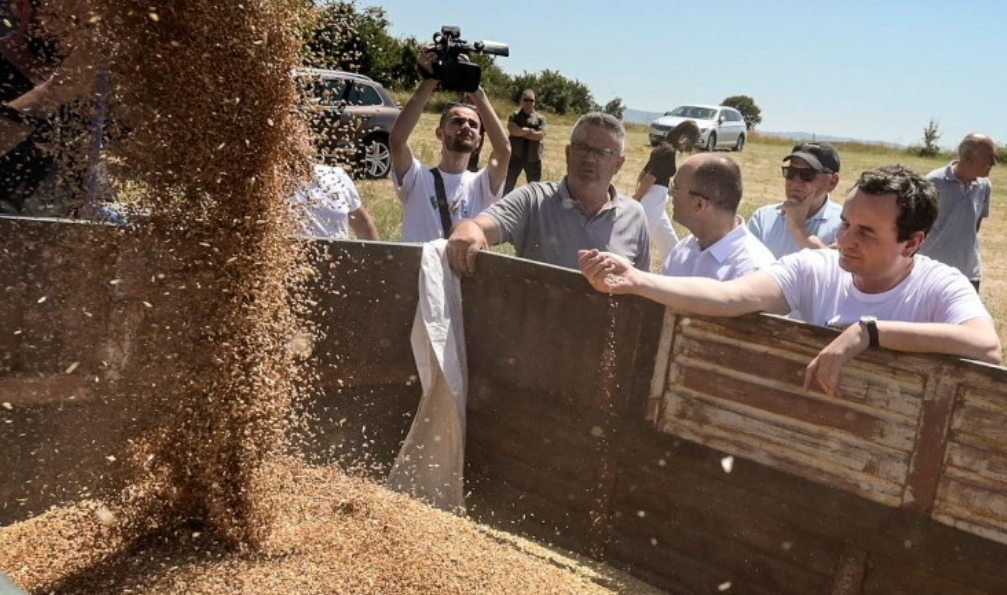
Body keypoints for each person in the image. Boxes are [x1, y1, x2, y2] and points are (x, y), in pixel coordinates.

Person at [580, 165, 1001, 397]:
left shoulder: (941, 284)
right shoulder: (816, 268)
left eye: (867, 233)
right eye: (846, 224)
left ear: (912, 242)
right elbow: (732, 296)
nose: (845, 241)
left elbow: (985, 345)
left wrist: (867, 333)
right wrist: (639, 281)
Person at [447, 112, 650, 275]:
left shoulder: (635, 216)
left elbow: (641, 288)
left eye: (602, 153)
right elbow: (480, 226)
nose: (590, 158)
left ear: (618, 164)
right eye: (582, 148)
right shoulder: (533, 199)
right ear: (568, 154)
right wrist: (469, 227)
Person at [389, 47, 510, 243]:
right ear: (439, 133)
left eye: (473, 124)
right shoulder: (418, 179)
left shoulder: (481, 185)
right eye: (456, 121)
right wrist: (429, 80)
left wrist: (476, 90)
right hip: (420, 273)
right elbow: (397, 141)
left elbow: (503, 151)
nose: (465, 127)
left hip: (465, 274)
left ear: (478, 139)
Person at [0, 0, 95, 215]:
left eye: (82, 22)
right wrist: (54, 91)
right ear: (22, 6)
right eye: (58, 15)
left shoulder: (96, 89)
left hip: (74, 241)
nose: (69, 29)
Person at [662, 153, 775, 280]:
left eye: (675, 188)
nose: (670, 193)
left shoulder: (752, 272)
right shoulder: (682, 251)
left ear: (700, 204)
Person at [917, 133, 997, 291]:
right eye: (989, 156)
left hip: (968, 273)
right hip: (932, 271)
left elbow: (974, 227)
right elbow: (917, 226)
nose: (994, 162)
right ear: (968, 157)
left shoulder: (984, 186)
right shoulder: (934, 182)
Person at [748, 142, 843, 258]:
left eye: (807, 174)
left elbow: (835, 272)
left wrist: (798, 228)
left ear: (832, 182)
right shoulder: (762, 219)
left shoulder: (845, 226)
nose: (795, 181)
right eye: (791, 172)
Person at [634, 120, 699, 267]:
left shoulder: (662, 148)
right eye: (691, 142)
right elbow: (650, 177)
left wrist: (640, 194)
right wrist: (637, 197)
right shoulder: (668, 152)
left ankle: (676, 271)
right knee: (642, 239)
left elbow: (643, 173)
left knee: (669, 243)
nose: (689, 147)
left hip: (655, 196)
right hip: (654, 198)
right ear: (685, 137)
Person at [291, 163, 379, 240]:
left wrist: (377, 258)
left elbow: (362, 223)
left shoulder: (335, 175)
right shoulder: (279, 184)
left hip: (341, 256)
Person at [503, 89, 547, 194]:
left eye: (531, 100)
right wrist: (529, 131)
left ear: (534, 102)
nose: (528, 103)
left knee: (534, 187)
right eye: (526, 100)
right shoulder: (515, 115)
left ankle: (533, 207)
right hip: (515, 155)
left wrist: (521, 131)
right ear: (521, 101)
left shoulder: (540, 118)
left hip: (533, 157)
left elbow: (540, 135)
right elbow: (512, 130)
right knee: (508, 183)